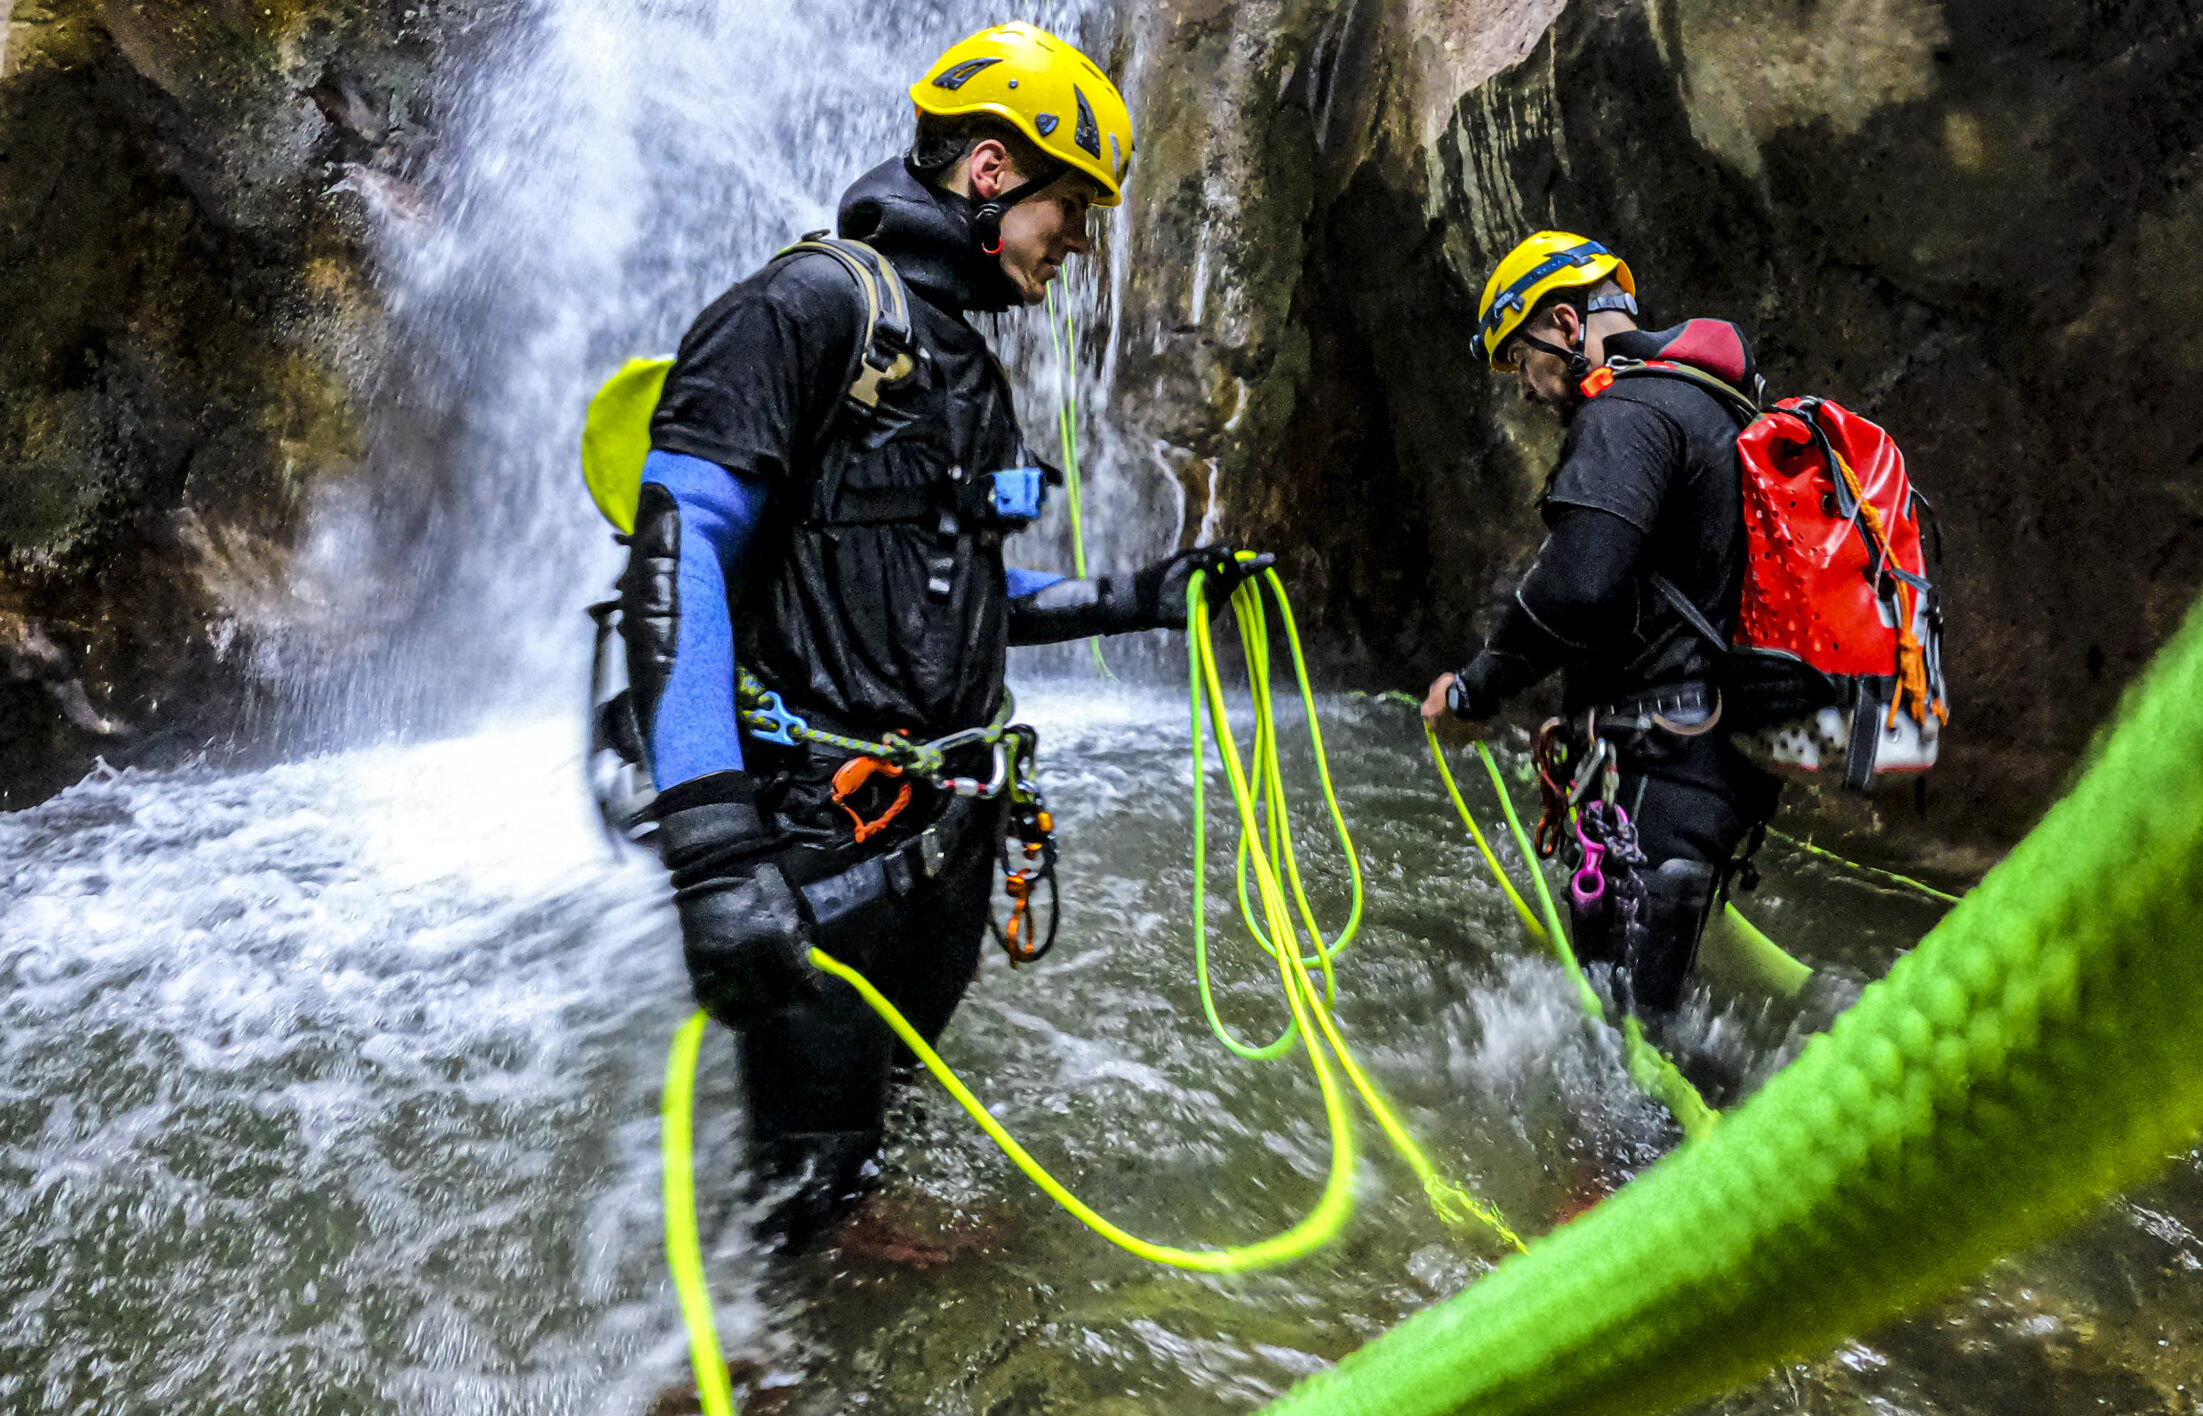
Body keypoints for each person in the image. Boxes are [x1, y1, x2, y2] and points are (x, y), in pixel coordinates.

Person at [623, 22, 1263, 1246]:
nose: (1077, 243)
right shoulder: (802, 308)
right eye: (1068, 210)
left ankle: (881, 1343)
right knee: (805, 1204)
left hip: (945, 834)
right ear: (987, 173)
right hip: (819, 840)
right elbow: (681, 552)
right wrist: (712, 855)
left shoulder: (964, 366)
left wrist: (1147, 595)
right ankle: (761, 1414)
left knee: (887, 1130)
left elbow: (961, 600)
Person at [1421, 231, 1781, 1025]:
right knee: (1643, 1038)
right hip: (1706, 768)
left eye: (1520, 359)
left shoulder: (1626, 412)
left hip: (1660, 774)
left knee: (1620, 1071)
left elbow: (1580, 586)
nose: (1523, 388)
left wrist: (1475, 689)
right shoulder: (1709, 404)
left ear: (1562, 321)